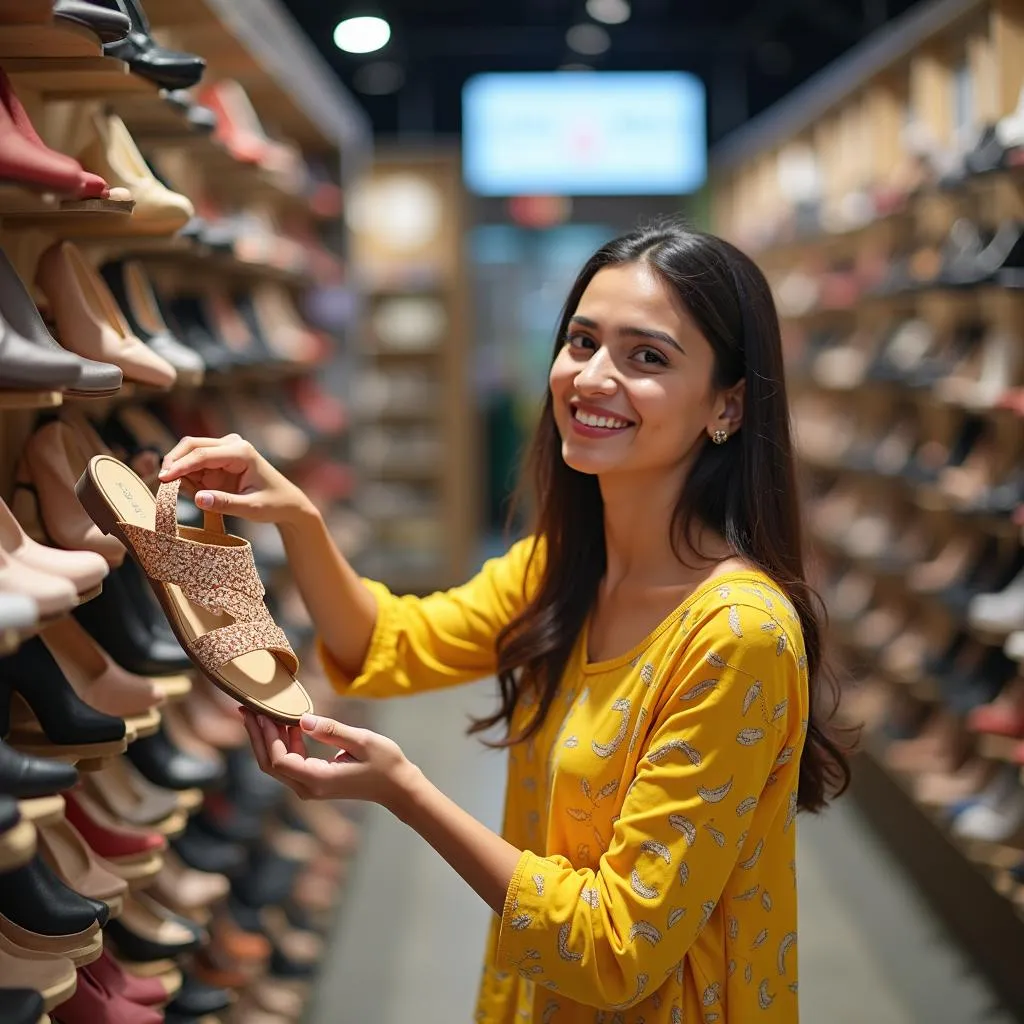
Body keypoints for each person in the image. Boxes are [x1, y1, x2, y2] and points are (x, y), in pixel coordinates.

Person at [159, 223, 850, 1023]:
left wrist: (408, 794)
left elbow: (615, 950)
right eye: (582, 341)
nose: (592, 378)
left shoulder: (738, 636)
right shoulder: (559, 570)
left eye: (647, 357)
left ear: (727, 404)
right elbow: (382, 646)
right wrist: (301, 520)